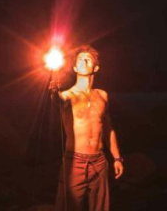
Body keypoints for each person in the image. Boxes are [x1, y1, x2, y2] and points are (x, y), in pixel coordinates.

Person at [48, 45, 123, 211]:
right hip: (74, 162)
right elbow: (57, 99)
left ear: (96, 67)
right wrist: (54, 86)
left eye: (87, 59)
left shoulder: (103, 95)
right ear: (75, 68)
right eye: (80, 59)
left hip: (100, 162)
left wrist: (117, 158)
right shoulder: (67, 95)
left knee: (100, 208)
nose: (83, 61)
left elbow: (108, 129)